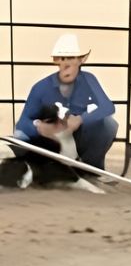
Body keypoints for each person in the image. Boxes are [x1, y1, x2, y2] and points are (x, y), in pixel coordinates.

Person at [12, 34, 118, 172]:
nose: (67, 63)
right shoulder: (41, 87)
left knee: (108, 124)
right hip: (50, 141)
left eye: (72, 58)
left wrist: (81, 119)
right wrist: (39, 127)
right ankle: (39, 170)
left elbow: (108, 107)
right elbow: (22, 123)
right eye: (63, 59)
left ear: (81, 60)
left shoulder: (89, 80)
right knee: (19, 136)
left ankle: (91, 169)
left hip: (77, 137)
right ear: (56, 61)